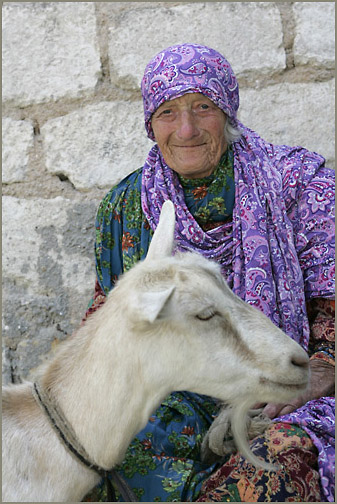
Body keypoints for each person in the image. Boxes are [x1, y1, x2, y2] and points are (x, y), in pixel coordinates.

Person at [83, 43, 334, 502]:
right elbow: (110, 313)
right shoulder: (126, 207)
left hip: (290, 382)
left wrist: (319, 371)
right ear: (149, 124)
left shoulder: (299, 184)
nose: (187, 129)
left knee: (282, 455)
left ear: (228, 109)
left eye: (203, 107)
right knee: (112, 444)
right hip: (181, 388)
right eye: (168, 112)